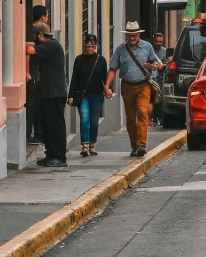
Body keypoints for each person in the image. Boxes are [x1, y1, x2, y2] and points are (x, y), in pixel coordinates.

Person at [104, 21, 165, 157]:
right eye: (129, 35)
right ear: (126, 35)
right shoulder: (120, 49)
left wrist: (153, 66)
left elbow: (160, 65)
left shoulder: (147, 47)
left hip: (143, 85)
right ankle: (135, 145)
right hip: (127, 86)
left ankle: (141, 145)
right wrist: (107, 86)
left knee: (143, 113)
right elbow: (113, 68)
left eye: (134, 35)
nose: (132, 38)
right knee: (131, 119)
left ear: (138, 34)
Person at [29, 22, 68, 168]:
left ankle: (59, 156)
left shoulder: (52, 45)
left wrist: (26, 43)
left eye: (35, 36)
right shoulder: (48, 46)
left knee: (55, 125)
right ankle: (51, 154)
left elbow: (30, 50)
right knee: (47, 125)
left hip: (55, 93)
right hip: (47, 93)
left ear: (40, 35)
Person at [67, 33, 108, 158]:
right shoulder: (79, 60)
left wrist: (108, 89)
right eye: (88, 46)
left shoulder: (100, 60)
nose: (90, 49)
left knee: (94, 121)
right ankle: (84, 145)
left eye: (93, 46)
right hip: (82, 95)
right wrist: (71, 95)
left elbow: (105, 78)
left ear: (96, 46)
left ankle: (92, 145)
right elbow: (74, 78)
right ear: (84, 45)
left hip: (97, 95)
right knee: (85, 119)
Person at [26, 4, 51, 144]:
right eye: (47, 16)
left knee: (34, 103)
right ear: (43, 17)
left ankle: (35, 132)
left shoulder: (28, 30)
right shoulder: (39, 31)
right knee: (35, 103)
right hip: (34, 72)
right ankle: (37, 133)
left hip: (33, 71)